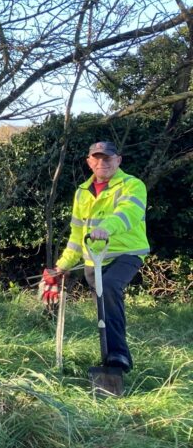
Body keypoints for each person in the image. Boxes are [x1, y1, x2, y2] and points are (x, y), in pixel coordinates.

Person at [46, 141, 149, 373]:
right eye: (97, 158)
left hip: (127, 253)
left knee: (111, 287)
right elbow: (76, 235)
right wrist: (62, 266)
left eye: (108, 158)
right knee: (103, 309)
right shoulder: (82, 192)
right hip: (94, 259)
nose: (103, 163)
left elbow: (128, 213)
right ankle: (108, 359)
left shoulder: (133, 185)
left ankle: (119, 357)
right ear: (89, 162)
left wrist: (106, 228)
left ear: (118, 160)